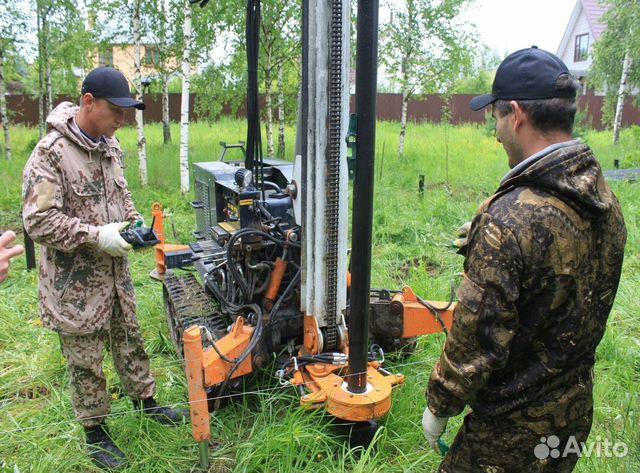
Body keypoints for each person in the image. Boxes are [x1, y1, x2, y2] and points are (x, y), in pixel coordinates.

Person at [422, 47, 627, 473]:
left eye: (496, 118)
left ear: (516, 114)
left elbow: (476, 337)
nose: (496, 134)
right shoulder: (606, 200)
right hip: (572, 417)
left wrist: (439, 406)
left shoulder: (510, 222)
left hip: (507, 437)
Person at [22, 67, 187, 470]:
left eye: (126, 112)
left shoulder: (111, 147)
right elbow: (38, 221)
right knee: (85, 359)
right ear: (88, 102)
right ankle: (95, 430)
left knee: (129, 338)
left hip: (115, 276)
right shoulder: (51, 153)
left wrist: (134, 229)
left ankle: (145, 402)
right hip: (74, 286)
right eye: (116, 110)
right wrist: (97, 236)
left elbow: (123, 198)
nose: (122, 120)